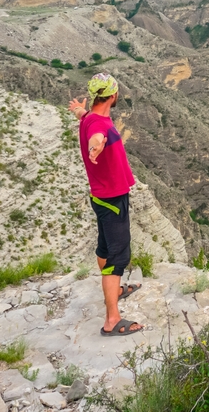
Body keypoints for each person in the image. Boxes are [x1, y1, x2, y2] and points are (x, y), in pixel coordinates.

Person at [68, 73, 144, 337]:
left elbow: (85, 118)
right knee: (118, 256)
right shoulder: (97, 125)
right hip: (112, 199)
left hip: (100, 196)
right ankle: (112, 319)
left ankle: (115, 291)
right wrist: (95, 146)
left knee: (104, 246)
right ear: (113, 95)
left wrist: (78, 109)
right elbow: (97, 137)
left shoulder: (89, 117)